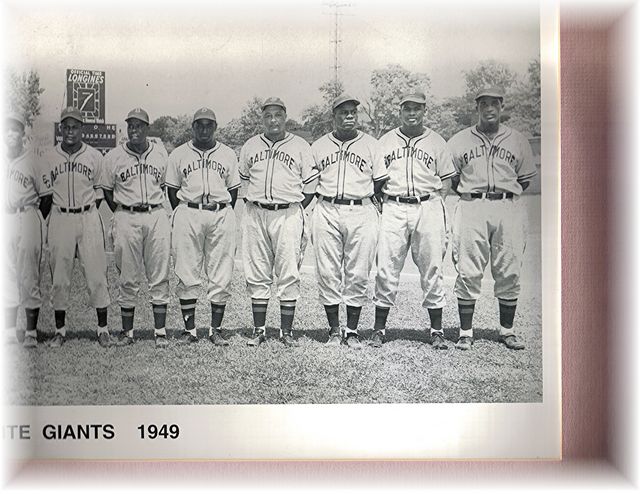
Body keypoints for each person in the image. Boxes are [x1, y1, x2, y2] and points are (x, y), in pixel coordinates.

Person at [447, 87, 537, 351]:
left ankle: (507, 331)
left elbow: (526, 178)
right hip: (471, 206)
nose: (489, 108)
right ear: (477, 108)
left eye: (494, 104)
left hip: (507, 206)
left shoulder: (518, 140)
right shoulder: (460, 140)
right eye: (484, 104)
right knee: (468, 268)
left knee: (509, 268)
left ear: (501, 107)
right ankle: (465, 332)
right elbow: (453, 179)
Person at [372, 91, 457, 349]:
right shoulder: (385, 141)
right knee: (387, 268)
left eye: (417, 109)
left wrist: (437, 201)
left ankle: (437, 330)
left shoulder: (437, 141)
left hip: (427, 205)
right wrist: (383, 203)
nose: (412, 113)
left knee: (432, 268)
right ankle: (379, 329)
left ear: (424, 111)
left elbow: (446, 178)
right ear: (400, 111)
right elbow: (376, 179)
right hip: (395, 206)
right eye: (407, 108)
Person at [238, 97, 319, 347]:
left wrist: (293, 207)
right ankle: (259, 329)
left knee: (288, 271)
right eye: (268, 116)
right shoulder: (251, 145)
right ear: (262, 119)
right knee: (258, 271)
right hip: (256, 212)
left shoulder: (300, 145)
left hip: (289, 213)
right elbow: (243, 180)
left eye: (277, 115)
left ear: (285, 117)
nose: (273, 120)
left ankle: (286, 331)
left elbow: (311, 184)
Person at [310, 94, 388, 349]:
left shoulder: (372, 145)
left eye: (353, 112)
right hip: (327, 207)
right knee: (328, 270)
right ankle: (334, 330)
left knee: (358, 271)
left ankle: (352, 331)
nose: (349, 116)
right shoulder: (319, 146)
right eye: (343, 112)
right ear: (333, 117)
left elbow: (379, 182)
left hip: (361, 209)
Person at [166, 107, 240, 345]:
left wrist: (217, 209)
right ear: (193, 127)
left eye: (209, 125)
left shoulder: (227, 154)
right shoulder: (178, 154)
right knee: (187, 271)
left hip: (220, 213)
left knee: (221, 272)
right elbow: (172, 191)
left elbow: (233, 190)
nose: (204, 129)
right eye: (200, 125)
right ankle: (190, 331)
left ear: (215, 128)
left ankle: (215, 330)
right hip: (189, 212)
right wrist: (189, 211)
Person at [39, 107, 112, 348]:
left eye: (75, 126)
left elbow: (100, 192)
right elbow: (46, 195)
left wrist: (86, 209)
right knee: (60, 277)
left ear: (82, 129)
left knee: (96, 274)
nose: (70, 131)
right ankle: (60, 331)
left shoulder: (94, 156)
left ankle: (102, 329)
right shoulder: (49, 157)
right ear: (61, 129)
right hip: (60, 218)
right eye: (66, 126)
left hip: (88, 216)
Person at [102, 108, 171, 348]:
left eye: (139, 126)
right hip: (127, 216)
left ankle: (160, 331)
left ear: (147, 128)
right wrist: (122, 212)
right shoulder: (114, 156)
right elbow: (107, 191)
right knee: (128, 277)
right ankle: (127, 333)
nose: (134, 130)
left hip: (156, 215)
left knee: (159, 274)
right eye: (131, 125)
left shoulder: (160, 154)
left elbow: (164, 185)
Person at [4, 112, 50, 348]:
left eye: (16, 130)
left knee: (29, 272)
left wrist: (34, 219)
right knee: (7, 273)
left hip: (29, 215)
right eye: (7, 129)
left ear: (23, 134)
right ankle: (11, 331)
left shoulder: (33, 160)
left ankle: (31, 331)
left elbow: (46, 198)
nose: (11, 134)